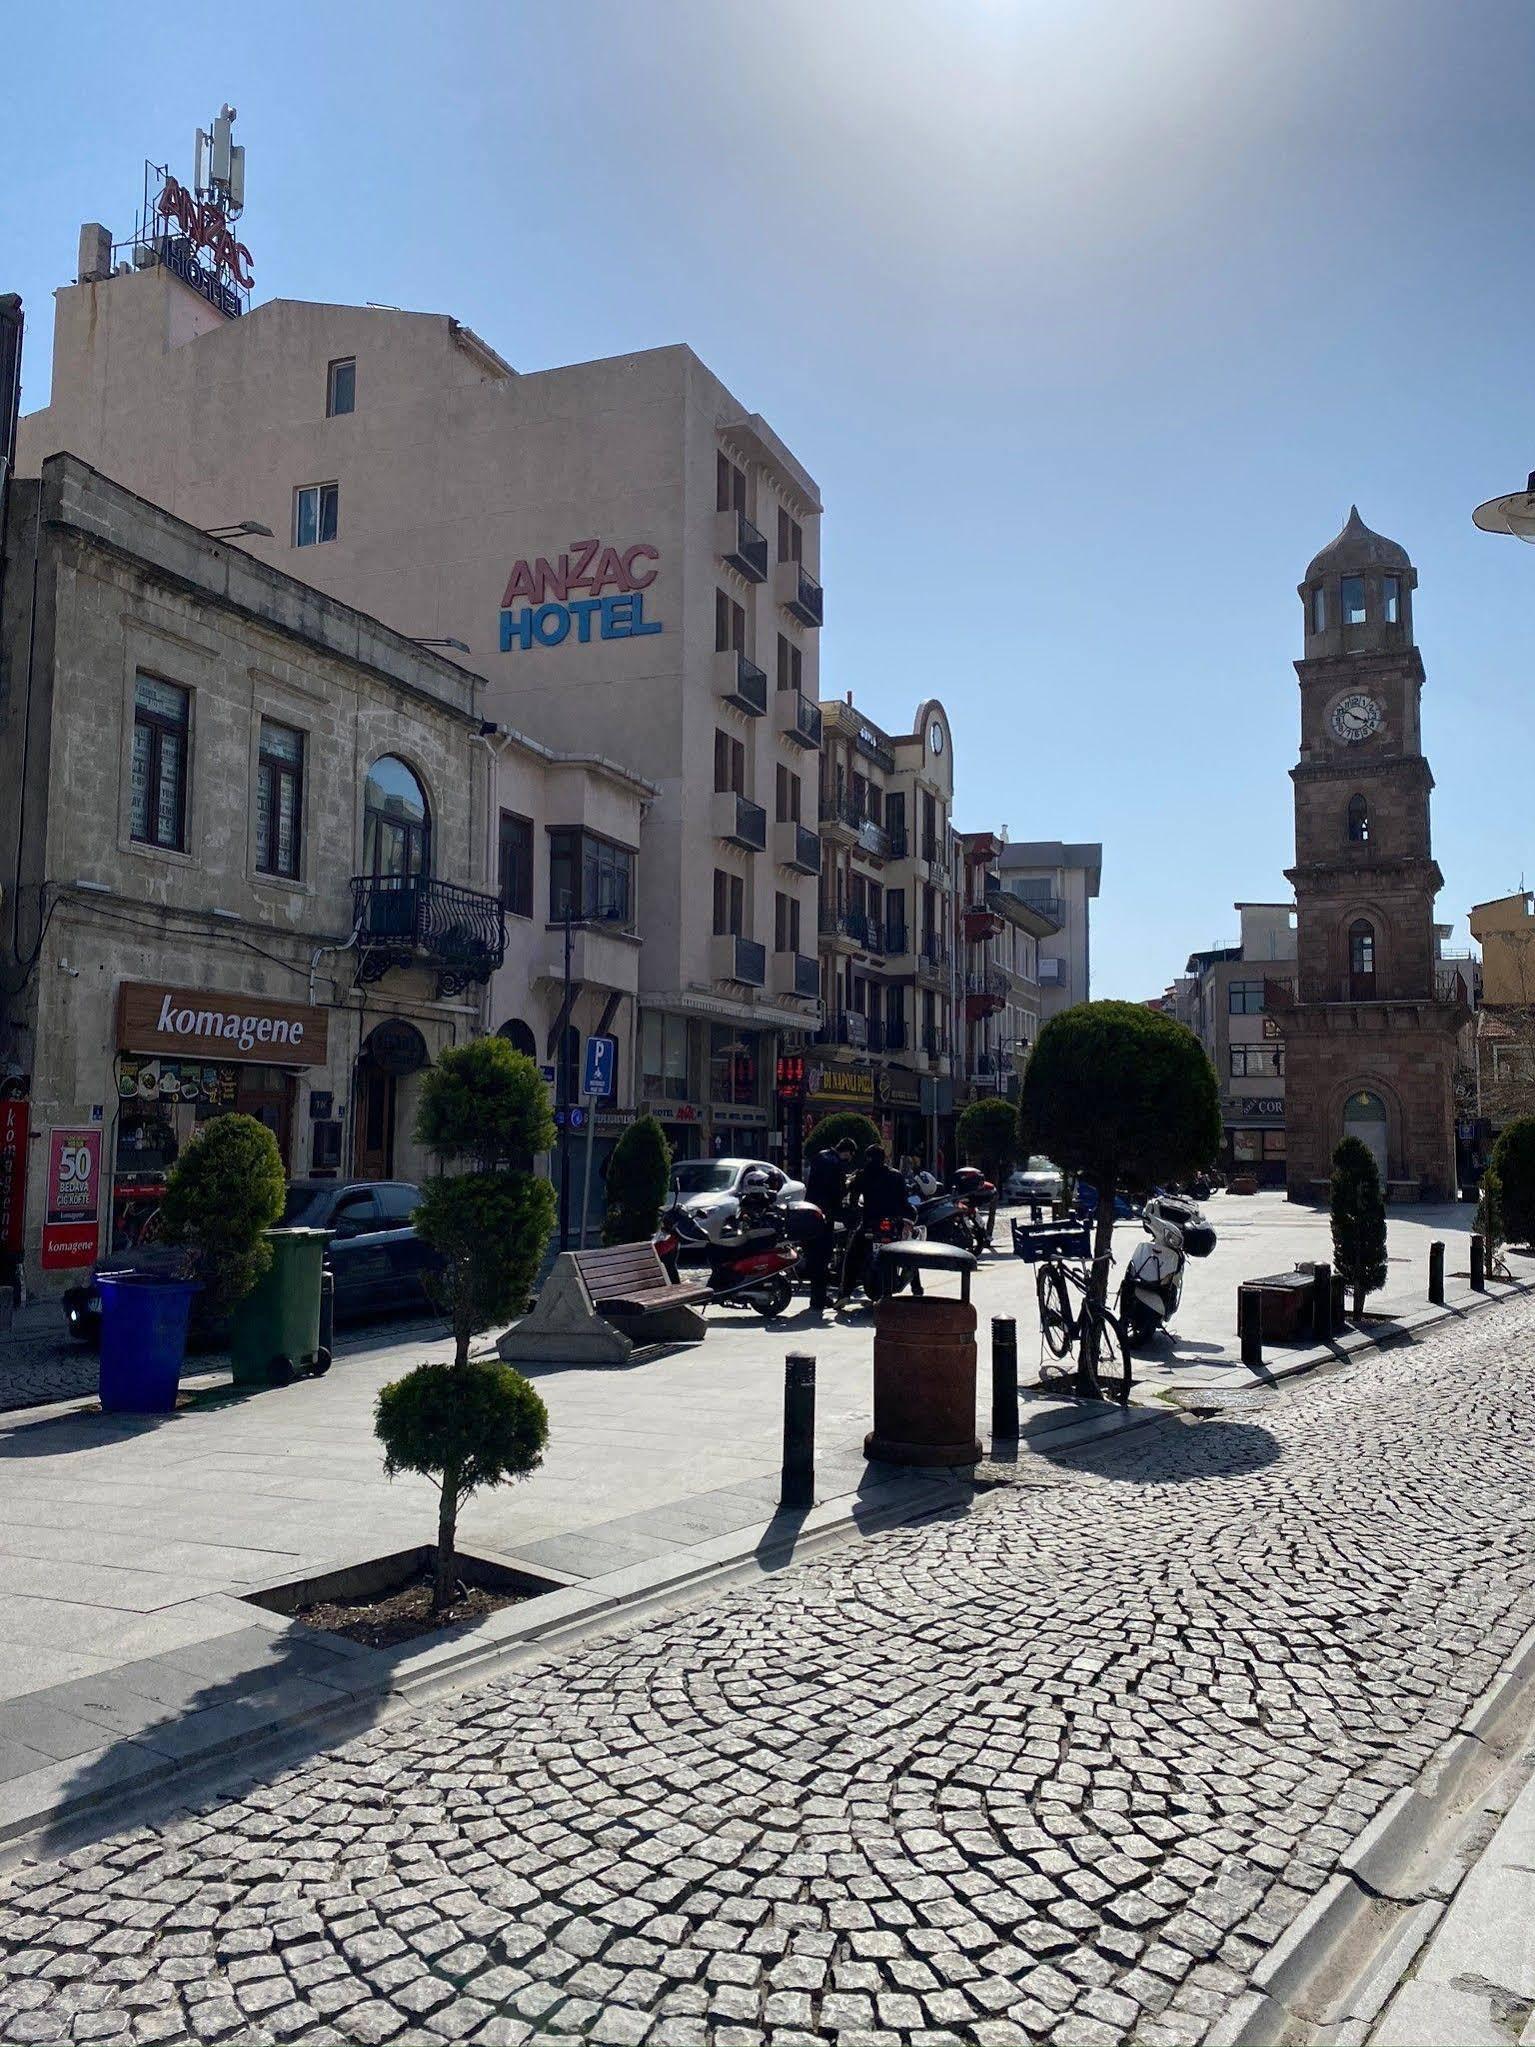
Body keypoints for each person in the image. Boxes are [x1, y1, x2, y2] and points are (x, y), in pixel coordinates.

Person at [843, 1144, 915, 1302]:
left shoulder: (863, 1175)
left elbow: (853, 1197)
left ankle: (845, 1293)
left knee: (852, 1255)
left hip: (871, 1223)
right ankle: (916, 1288)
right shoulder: (895, 1175)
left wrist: (851, 1211)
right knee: (908, 1252)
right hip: (892, 1223)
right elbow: (904, 1201)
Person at [803, 1138, 857, 1311]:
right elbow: (839, 1191)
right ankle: (818, 1299)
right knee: (823, 1257)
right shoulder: (836, 1163)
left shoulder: (820, 1156)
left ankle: (817, 1297)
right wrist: (849, 1184)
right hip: (825, 1215)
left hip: (811, 1211)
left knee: (814, 1258)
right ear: (847, 1152)